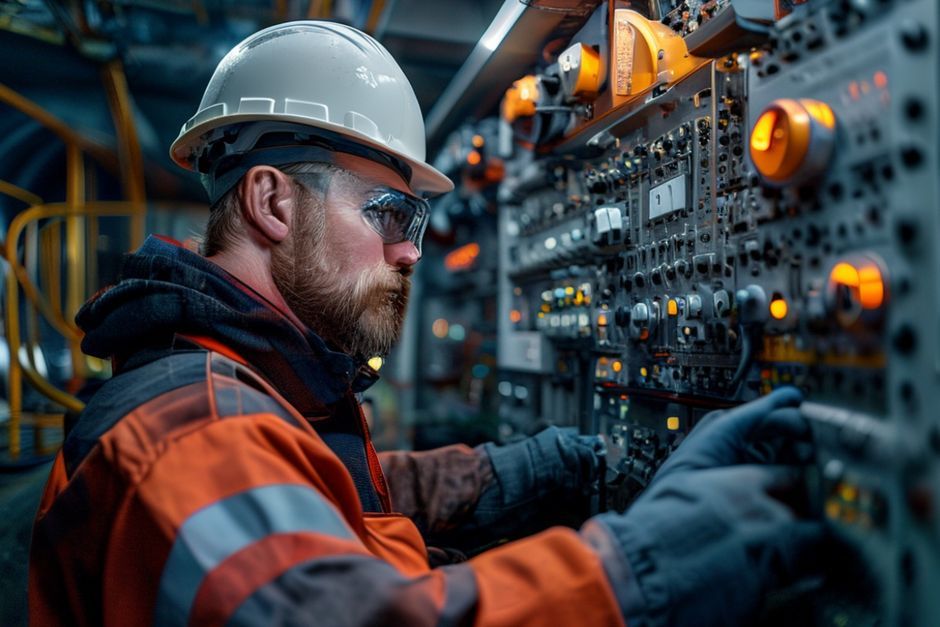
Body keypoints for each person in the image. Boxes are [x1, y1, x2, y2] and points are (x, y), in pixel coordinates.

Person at [29, 21, 824, 626]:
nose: (411, 252)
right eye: (391, 213)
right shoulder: (192, 429)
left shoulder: (243, 382)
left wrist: (520, 470)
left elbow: (336, 498)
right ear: (272, 201)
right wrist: (639, 566)